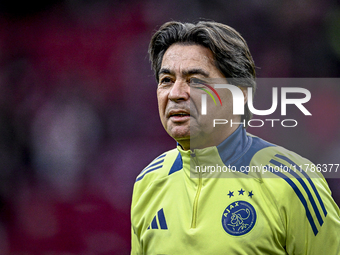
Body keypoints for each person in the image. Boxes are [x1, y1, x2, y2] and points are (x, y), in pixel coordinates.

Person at [130, 20, 340, 254]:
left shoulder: (292, 181)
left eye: (196, 80)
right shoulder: (148, 182)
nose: (176, 93)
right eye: (166, 80)